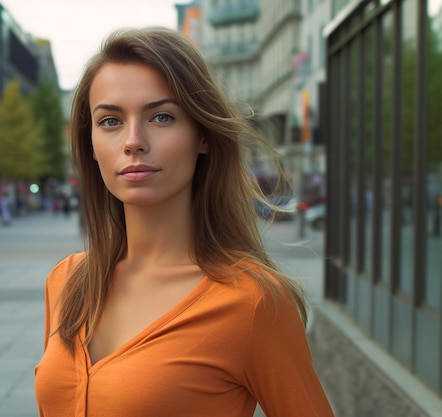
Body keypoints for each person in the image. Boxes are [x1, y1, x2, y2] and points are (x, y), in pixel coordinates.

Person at [34, 27, 335, 417]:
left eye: (161, 116)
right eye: (110, 121)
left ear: (203, 136)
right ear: (89, 144)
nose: (133, 141)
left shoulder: (251, 302)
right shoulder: (66, 281)